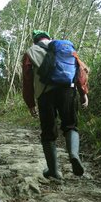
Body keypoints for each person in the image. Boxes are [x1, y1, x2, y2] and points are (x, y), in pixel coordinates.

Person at [22, 30, 89, 179]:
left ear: (35, 41)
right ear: (49, 38)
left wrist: (30, 103)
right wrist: (83, 92)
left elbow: (27, 80)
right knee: (70, 125)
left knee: (48, 131)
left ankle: (53, 170)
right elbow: (80, 70)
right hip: (68, 91)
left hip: (45, 94)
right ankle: (73, 154)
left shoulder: (31, 52)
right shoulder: (65, 48)